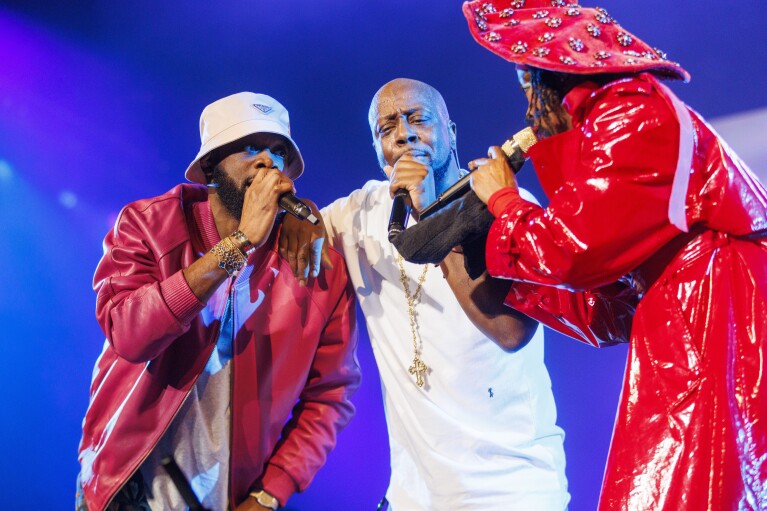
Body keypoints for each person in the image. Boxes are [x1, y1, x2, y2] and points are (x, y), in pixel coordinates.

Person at [462, 1, 767, 510]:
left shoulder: (631, 109)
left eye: (524, 84)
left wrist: (504, 201)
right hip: (690, 313)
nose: (527, 111)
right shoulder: (615, 120)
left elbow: (574, 253)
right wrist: (505, 279)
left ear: (549, 73)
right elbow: (608, 311)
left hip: (718, 315)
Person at [281, 78, 569, 510]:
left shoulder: (504, 204)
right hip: (412, 497)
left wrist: (428, 212)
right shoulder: (362, 213)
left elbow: (510, 332)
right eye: (387, 128)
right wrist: (298, 216)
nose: (404, 134)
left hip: (513, 489)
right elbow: (298, 233)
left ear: (451, 130)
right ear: (377, 148)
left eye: (418, 118)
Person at [76, 92, 361, 511]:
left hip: (230, 498)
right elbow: (130, 335)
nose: (268, 162)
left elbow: (330, 396)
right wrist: (241, 243)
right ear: (210, 166)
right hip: (124, 487)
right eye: (251, 148)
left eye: (278, 151)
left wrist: (269, 494)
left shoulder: (316, 264)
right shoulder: (147, 225)